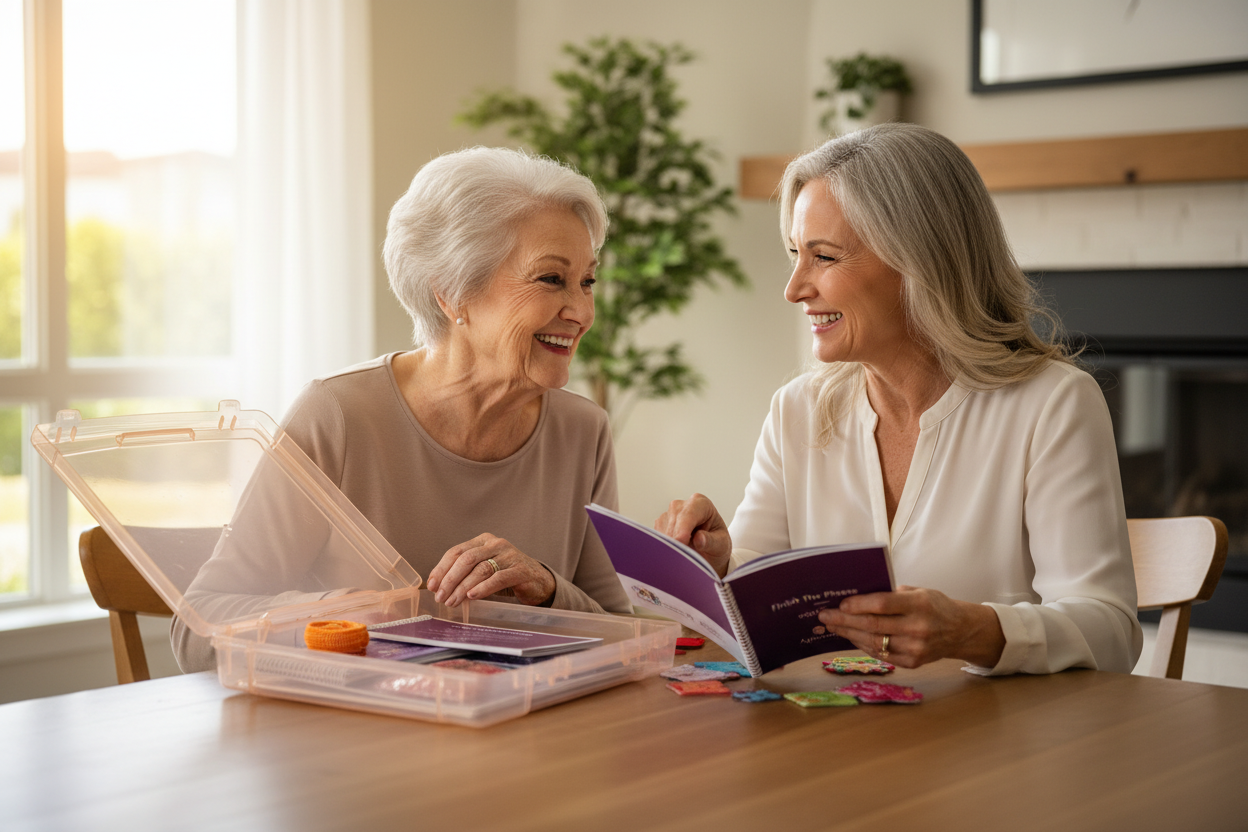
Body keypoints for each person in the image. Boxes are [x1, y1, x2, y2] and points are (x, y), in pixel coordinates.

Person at [655, 123, 1141, 676]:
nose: (794, 287)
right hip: (841, 741)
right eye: (795, 253)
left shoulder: (1052, 405)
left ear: (918, 261)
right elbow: (759, 584)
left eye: (825, 257)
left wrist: (976, 631)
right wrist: (716, 564)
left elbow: (1111, 633)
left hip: (1001, 750)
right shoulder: (798, 410)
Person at [172, 147, 630, 671]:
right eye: (552, 279)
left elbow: (623, 635)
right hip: (362, 743)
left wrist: (548, 591)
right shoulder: (338, 417)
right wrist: (356, 617)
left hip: (521, 737)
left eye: (588, 281)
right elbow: (197, 629)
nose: (583, 311)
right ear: (453, 295)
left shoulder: (583, 430)